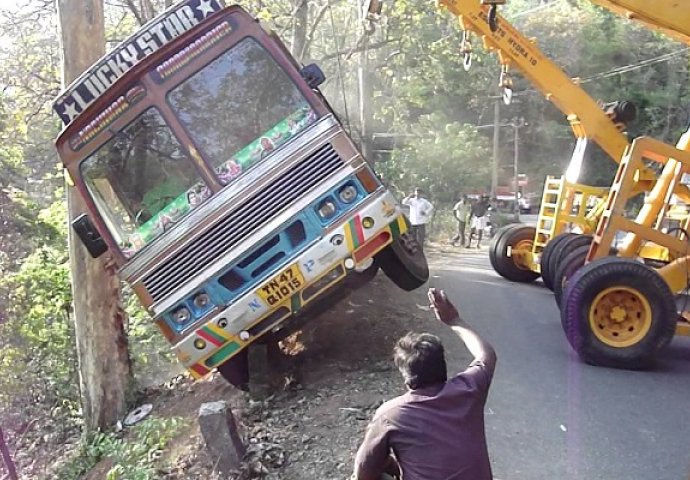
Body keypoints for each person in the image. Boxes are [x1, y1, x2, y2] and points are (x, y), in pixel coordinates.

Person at [353, 288, 497, 480]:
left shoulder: (391, 414)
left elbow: (363, 471)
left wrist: (390, 465)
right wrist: (453, 320)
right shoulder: (469, 388)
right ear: (443, 366)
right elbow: (486, 355)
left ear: (406, 378)